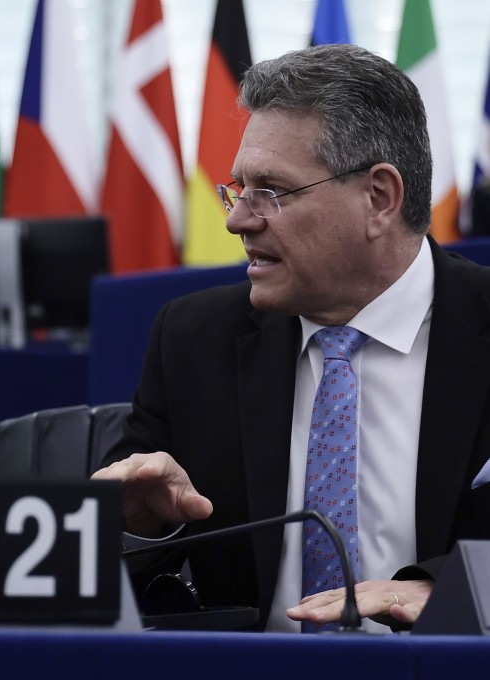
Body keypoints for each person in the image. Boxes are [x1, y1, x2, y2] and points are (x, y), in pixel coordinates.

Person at [93, 43, 490, 632]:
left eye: (271, 192)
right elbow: (116, 582)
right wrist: (138, 525)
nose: (236, 219)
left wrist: (454, 596)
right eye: (239, 188)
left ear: (379, 198)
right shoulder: (194, 339)